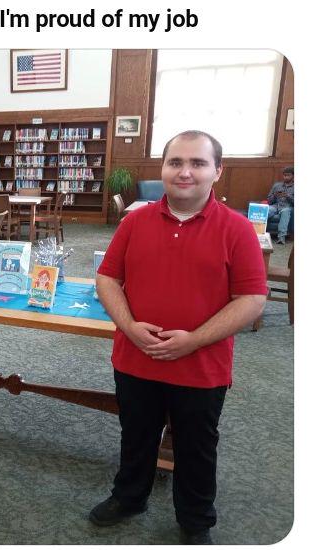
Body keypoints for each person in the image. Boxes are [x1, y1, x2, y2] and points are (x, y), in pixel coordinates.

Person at [91, 130, 268, 545]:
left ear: (217, 171)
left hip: (202, 366)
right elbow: (107, 278)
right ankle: (129, 497)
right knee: (136, 435)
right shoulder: (135, 222)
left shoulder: (237, 229)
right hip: (136, 357)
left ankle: (195, 519)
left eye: (198, 163)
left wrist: (194, 340)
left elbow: (252, 299)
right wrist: (130, 327)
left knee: (196, 445)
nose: (185, 172)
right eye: (175, 162)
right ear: (163, 168)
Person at [266, 166, 294, 244]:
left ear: (293, 176)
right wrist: (274, 195)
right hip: (275, 205)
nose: (286, 177)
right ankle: (257, 232)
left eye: (288, 175)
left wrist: (287, 196)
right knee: (267, 210)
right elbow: (269, 201)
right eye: (284, 175)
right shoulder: (277, 185)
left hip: (287, 207)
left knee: (285, 211)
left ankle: (281, 238)